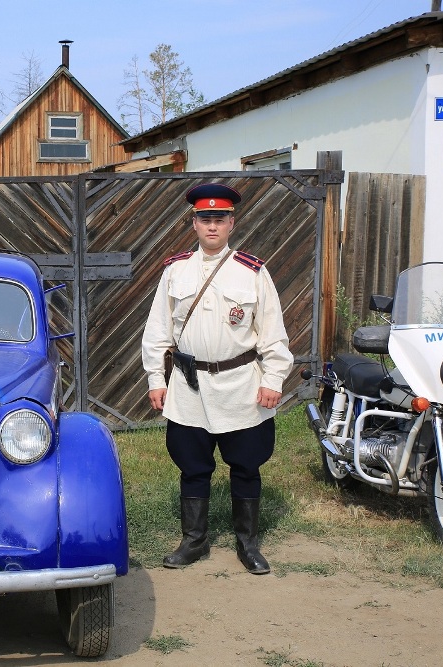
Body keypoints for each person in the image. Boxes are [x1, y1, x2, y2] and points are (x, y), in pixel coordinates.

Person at [141, 183, 293, 574]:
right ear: (193, 223)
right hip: (190, 385)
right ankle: (194, 542)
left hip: (241, 383)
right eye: (204, 219)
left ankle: (248, 544)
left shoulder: (253, 271)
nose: (212, 226)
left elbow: (273, 332)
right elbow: (158, 330)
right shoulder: (175, 270)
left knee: (246, 465)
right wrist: (156, 378)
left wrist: (273, 378)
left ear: (231, 223)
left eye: (219, 219)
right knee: (192, 466)